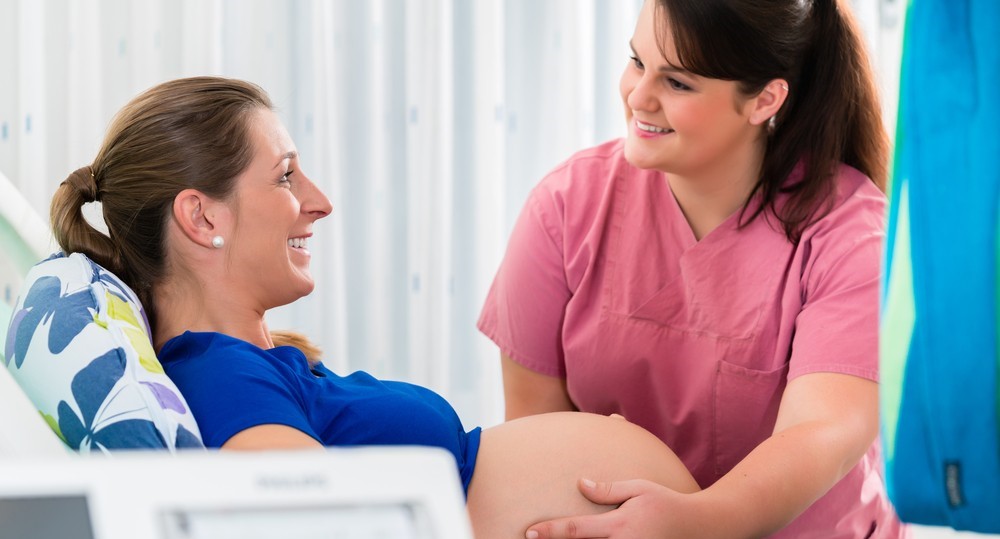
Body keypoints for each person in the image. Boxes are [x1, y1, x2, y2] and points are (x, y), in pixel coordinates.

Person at [48, 76, 703, 539]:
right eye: (284, 175)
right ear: (201, 216)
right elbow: (321, 521)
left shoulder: (255, 363)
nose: (320, 201)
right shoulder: (222, 377)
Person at [478, 0, 907, 537]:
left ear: (765, 100)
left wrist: (697, 522)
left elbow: (824, 432)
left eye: (677, 83)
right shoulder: (565, 208)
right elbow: (537, 438)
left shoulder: (849, 236)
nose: (638, 96)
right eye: (637, 62)